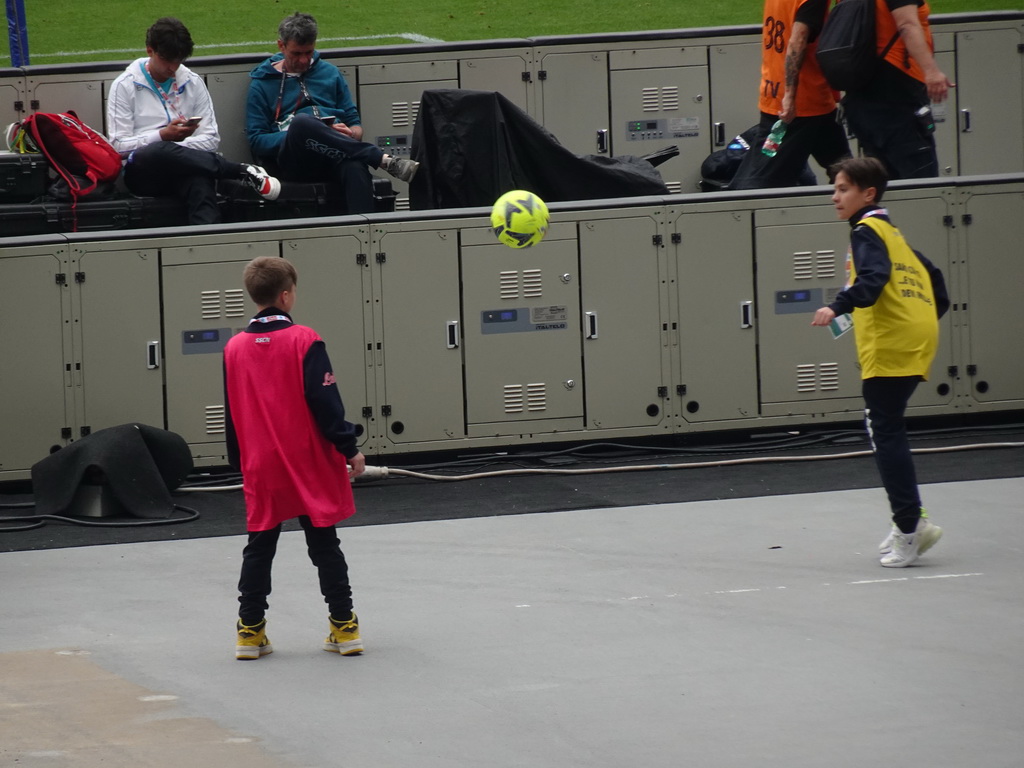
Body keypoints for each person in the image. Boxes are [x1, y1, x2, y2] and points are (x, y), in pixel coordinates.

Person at [224, 256, 366, 660]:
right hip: (306, 460)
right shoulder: (306, 340)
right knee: (324, 543)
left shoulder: (233, 347)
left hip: (261, 464)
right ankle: (345, 626)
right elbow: (326, 403)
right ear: (286, 296)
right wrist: (349, 448)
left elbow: (233, 410)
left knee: (259, 546)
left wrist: (241, 463)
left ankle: (249, 633)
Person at [811, 157, 949, 567]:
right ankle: (910, 520)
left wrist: (837, 306)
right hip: (914, 340)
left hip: (891, 346)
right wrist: (918, 321)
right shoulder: (892, 232)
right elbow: (935, 280)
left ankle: (910, 526)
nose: (835, 197)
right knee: (886, 426)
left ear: (868, 194)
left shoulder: (866, 231)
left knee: (885, 431)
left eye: (843, 189)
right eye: (835, 189)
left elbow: (871, 282)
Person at [107, 17, 281, 225]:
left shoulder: (193, 82)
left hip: (188, 167)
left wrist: (176, 146)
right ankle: (239, 170)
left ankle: (209, 242)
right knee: (155, 150)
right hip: (144, 174)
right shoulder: (124, 86)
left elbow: (211, 140)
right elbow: (118, 147)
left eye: (178, 60)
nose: (173, 67)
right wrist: (162, 136)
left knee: (200, 181)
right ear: (149, 50)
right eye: (166, 59)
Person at [246, 12, 418, 214]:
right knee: (302, 124)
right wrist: (297, 133)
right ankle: (379, 158)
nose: (303, 60)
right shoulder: (262, 84)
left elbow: (355, 124)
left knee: (355, 166)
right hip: (295, 161)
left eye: (309, 53)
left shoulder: (329, 73)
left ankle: (366, 233)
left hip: (336, 154)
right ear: (281, 46)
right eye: (296, 54)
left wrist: (350, 134)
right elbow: (256, 140)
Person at [729, 0, 850, 190]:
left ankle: (856, 207)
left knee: (846, 171)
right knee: (757, 184)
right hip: (801, 104)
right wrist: (790, 95)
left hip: (783, 95)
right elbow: (797, 41)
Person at [841, 0, 953, 180]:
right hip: (897, 96)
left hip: (861, 97)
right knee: (920, 185)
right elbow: (907, 25)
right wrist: (931, 71)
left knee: (880, 184)